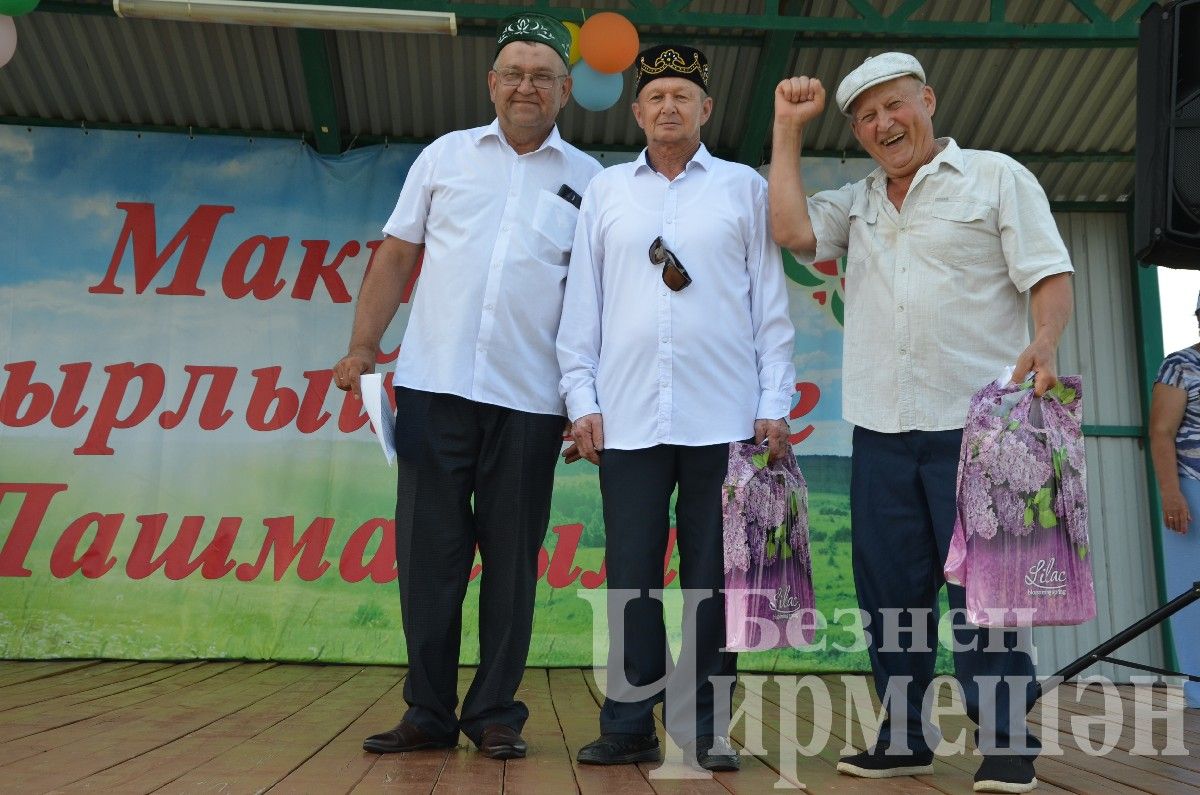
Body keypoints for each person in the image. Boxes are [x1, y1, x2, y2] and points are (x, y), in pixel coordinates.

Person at [768, 53, 1074, 793]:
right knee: (889, 592)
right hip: (879, 426)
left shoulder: (997, 177)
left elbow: (1048, 272)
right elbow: (791, 230)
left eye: (894, 106)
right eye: (866, 117)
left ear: (927, 101)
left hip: (983, 421)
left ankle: (1005, 741)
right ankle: (904, 734)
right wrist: (785, 128)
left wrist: (1044, 341)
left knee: (988, 593)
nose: (883, 125)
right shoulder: (859, 201)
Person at [331, 12, 601, 760]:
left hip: (530, 401)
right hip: (432, 388)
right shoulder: (444, 157)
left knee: (511, 561)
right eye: (513, 72)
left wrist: (587, 406)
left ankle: (495, 714)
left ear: (565, 90)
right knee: (428, 556)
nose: (526, 85)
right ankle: (426, 709)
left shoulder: (593, 181)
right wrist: (362, 345)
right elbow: (395, 256)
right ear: (491, 83)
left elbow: (597, 304)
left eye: (542, 75)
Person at [558, 44, 796, 773]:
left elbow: (770, 303)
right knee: (631, 571)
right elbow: (581, 308)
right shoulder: (606, 191)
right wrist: (582, 399)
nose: (669, 107)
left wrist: (774, 401)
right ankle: (629, 719)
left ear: (706, 110)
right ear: (637, 110)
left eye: (682, 96)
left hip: (725, 419)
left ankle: (703, 725)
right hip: (626, 417)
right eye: (655, 95)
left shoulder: (742, 189)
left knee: (714, 577)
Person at [1148, 295, 1200, 711]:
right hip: (1191, 490)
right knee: (1192, 594)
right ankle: (1199, 689)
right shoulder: (1179, 365)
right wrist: (1171, 492)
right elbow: (1161, 432)